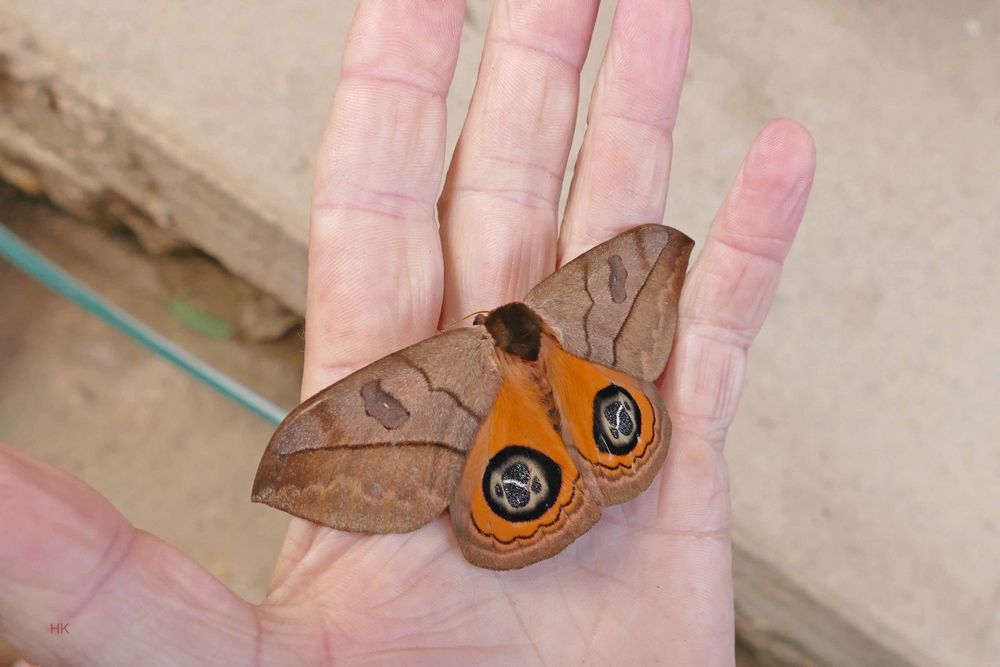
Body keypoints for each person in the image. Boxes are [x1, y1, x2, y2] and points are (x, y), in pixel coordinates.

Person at [0, 1, 815, 664]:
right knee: (596, 404)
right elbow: (645, 260)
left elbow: (656, 254)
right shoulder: (568, 304)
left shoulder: (455, 359)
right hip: (574, 373)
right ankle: (601, 450)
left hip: (520, 400)